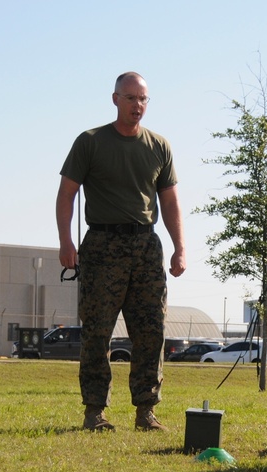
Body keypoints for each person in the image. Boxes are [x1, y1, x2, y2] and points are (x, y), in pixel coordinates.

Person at [56, 71, 186, 432]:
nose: (137, 105)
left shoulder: (159, 146)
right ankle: (94, 410)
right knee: (97, 331)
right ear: (115, 99)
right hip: (101, 245)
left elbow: (170, 201)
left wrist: (179, 249)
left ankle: (146, 410)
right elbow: (66, 193)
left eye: (143, 99)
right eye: (130, 98)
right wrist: (67, 242)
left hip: (146, 245)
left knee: (151, 330)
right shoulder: (91, 142)